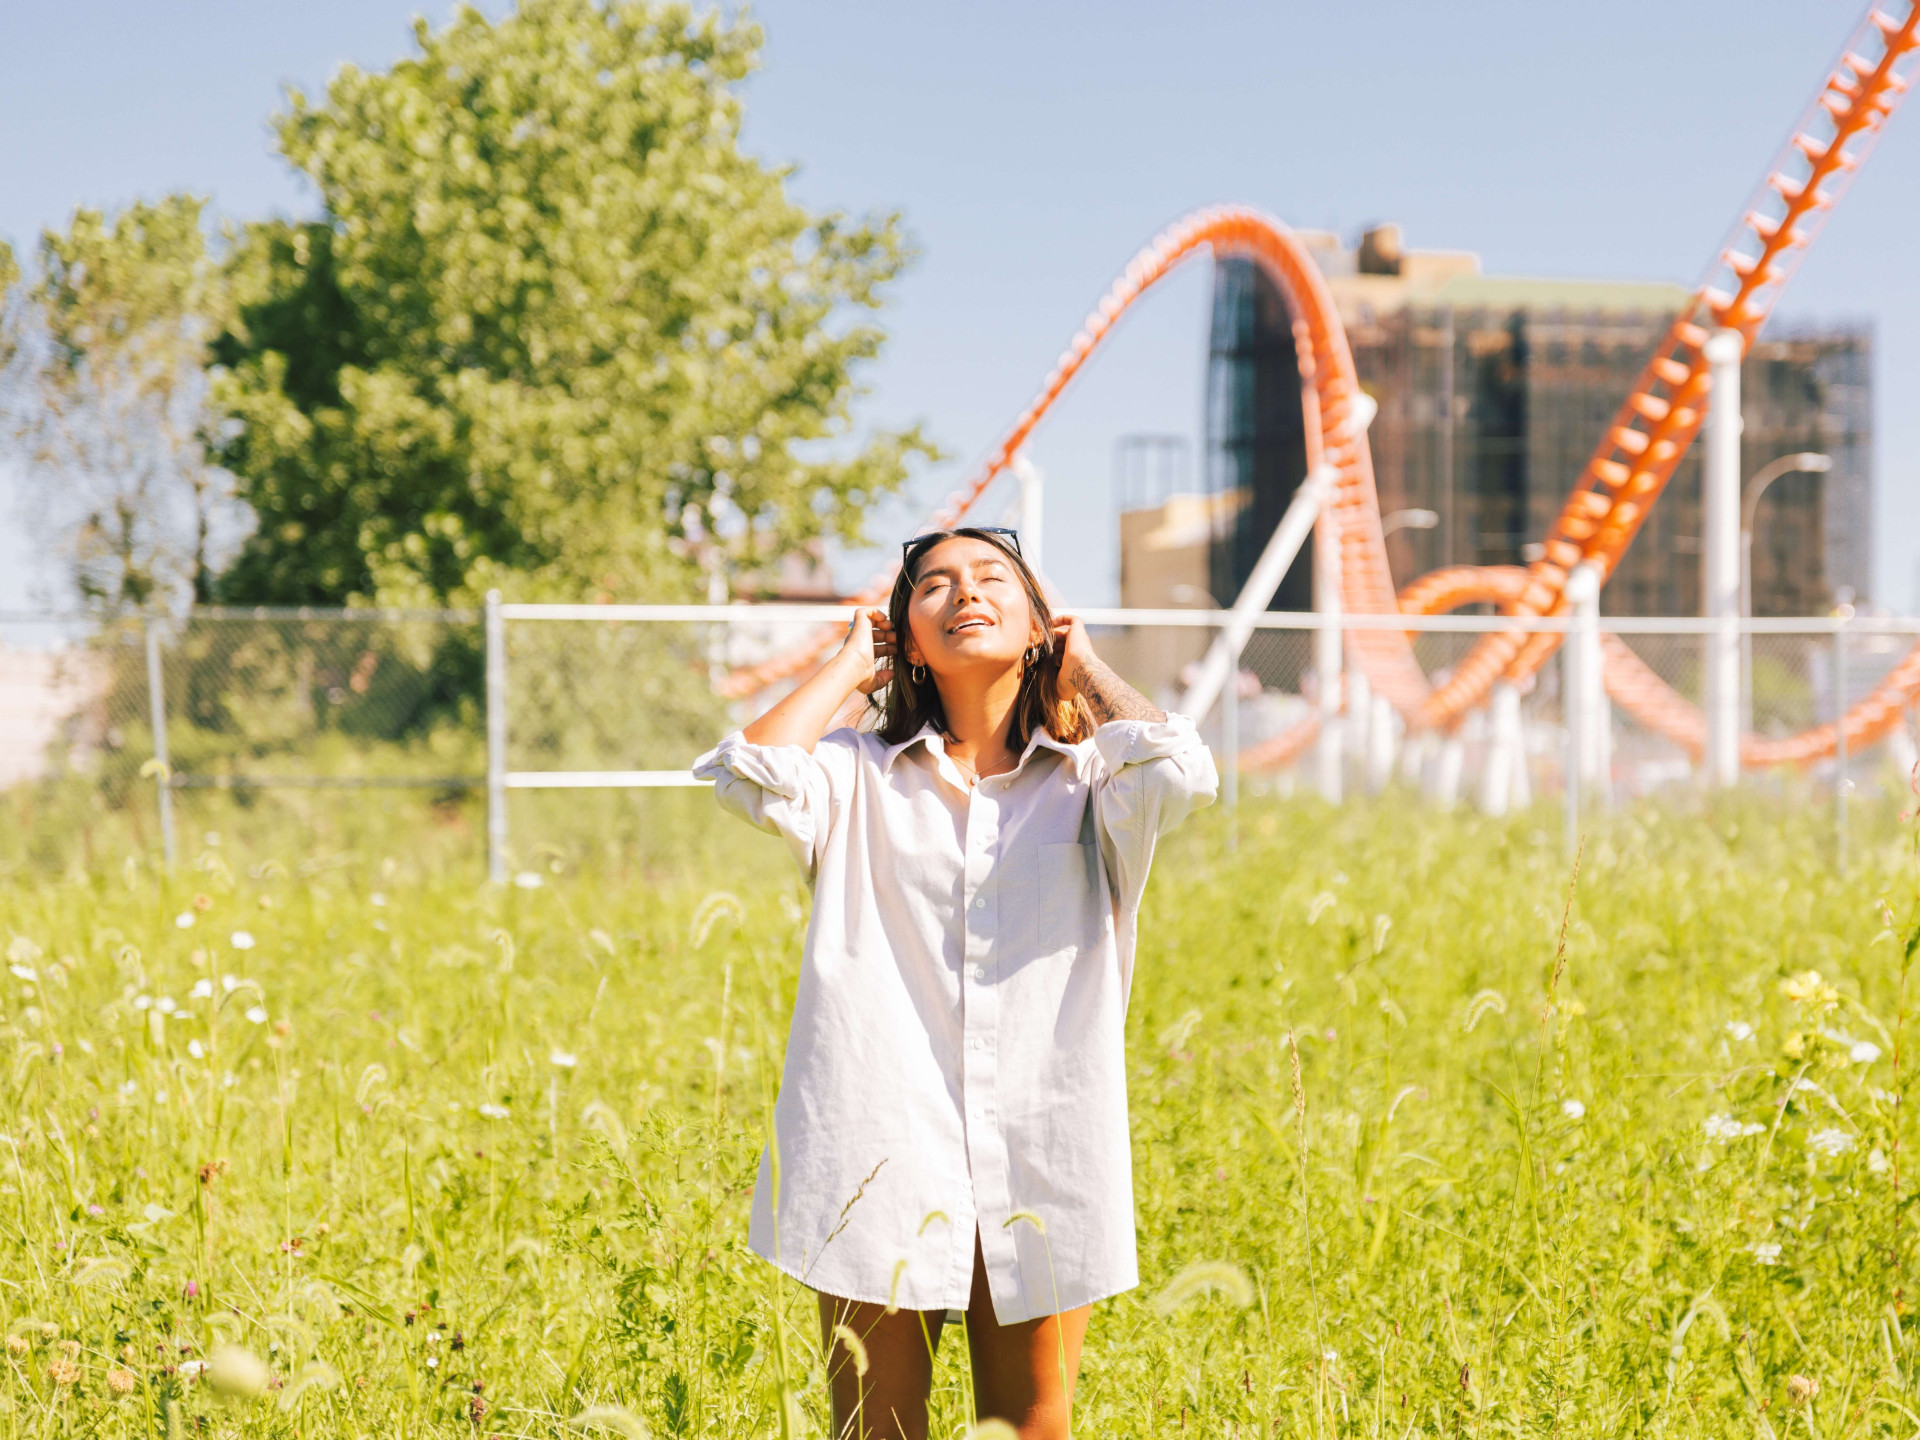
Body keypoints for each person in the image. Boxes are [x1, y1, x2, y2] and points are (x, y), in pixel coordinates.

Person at [693, 527, 1216, 1439]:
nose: (962, 593)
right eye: (932, 586)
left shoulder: (1100, 784)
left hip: (1043, 1152)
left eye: (990, 579)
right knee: (874, 1429)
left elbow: (1187, 771)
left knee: (1030, 1430)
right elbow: (747, 776)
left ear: (1037, 619)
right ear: (907, 637)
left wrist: (1083, 663)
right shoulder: (855, 776)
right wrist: (853, 666)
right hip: (878, 1148)